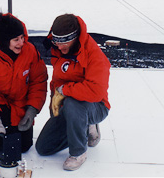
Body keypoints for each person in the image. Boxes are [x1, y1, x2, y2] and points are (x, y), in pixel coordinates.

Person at [35, 14, 111, 171]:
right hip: (69, 107)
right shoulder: (59, 51)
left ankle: (79, 152)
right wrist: (54, 110)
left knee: (72, 102)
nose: (60, 47)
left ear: (75, 37)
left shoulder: (95, 56)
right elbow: (57, 81)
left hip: (96, 106)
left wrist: (65, 90)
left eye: (65, 43)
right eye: (57, 42)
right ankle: (81, 127)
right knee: (43, 147)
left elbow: (95, 91)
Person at [0, 12, 48, 153]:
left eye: (22, 37)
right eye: (16, 40)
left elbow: (39, 81)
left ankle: (11, 124)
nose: (21, 43)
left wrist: (32, 109)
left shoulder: (30, 51)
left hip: (20, 103)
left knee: (24, 147)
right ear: (5, 41)